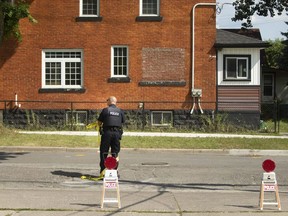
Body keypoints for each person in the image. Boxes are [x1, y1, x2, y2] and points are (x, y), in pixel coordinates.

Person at [97, 96, 125, 178]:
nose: (106, 102)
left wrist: (99, 127)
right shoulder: (120, 111)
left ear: (109, 101)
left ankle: (103, 172)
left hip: (107, 133)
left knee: (104, 152)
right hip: (117, 133)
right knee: (115, 153)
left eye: (107, 100)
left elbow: (99, 122)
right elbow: (123, 121)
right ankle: (114, 171)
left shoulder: (106, 110)